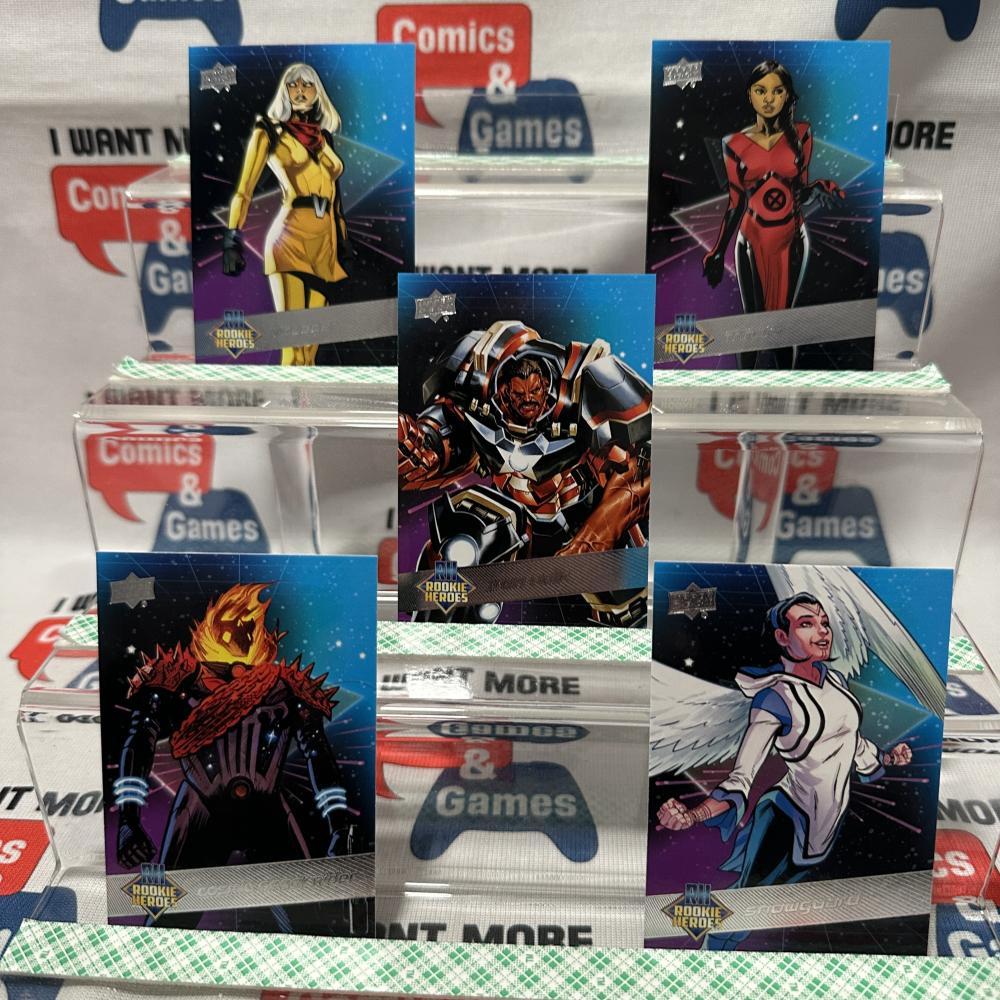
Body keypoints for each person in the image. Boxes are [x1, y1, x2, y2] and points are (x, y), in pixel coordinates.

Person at [657, 591, 912, 949]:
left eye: (824, 623)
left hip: (827, 824)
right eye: (807, 624)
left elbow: (850, 741)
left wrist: (888, 759)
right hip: (785, 818)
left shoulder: (836, 682)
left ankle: (701, 931)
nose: (822, 632)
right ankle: (705, 954)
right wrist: (694, 815)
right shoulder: (775, 698)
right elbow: (742, 776)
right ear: (782, 637)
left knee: (767, 903)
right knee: (747, 905)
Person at [701, 60, 844, 369]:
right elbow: (735, 202)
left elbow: (800, 191)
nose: (768, 99)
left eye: (777, 91)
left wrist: (820, 187)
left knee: (783, 326)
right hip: (751, 238)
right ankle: (742, 394)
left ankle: (784, 394)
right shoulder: (733, 144)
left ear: (787, 95)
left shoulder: (802, 134)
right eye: (760, 90)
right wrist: (717, 250)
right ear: (750, 94)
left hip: (791, 238)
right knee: (751, 325)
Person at [222, 63, 356, 366]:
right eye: (292, 85)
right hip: (290, 239)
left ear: (317, 91)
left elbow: (336, 201)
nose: (299, 91)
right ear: (284, 91)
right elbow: (243, 190)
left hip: (325, 246)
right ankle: (287, 399)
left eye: (306, 84)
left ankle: (305, 399)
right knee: (292, 349)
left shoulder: (325, 139)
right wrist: (232, 237)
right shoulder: (269, 132)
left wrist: (344, 244)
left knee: (309, 353)